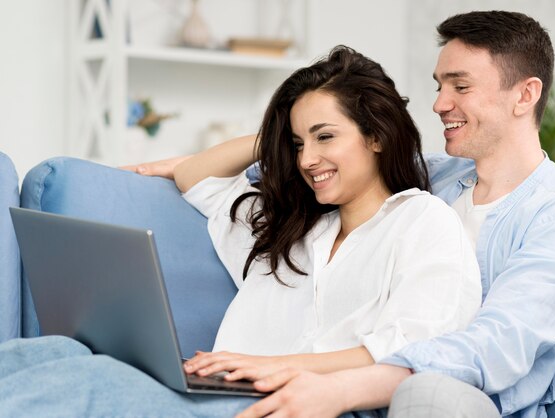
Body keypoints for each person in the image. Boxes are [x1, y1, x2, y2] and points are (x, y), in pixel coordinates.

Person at [0, 46, 481, 417]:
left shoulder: (422, 220)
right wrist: (271, 137)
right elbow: (199, 180)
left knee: (94, 382)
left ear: (376, 135)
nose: (307, 159)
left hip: (308, 404)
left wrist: (280, 366)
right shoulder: (292, 231)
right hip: (226, 392)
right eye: (297, 143)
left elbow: (419, 348)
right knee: (50, 352)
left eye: (325, 136)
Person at [206, 10, 555, 418]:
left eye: (461, 86)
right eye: (439, 86)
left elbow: (489, 350)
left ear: (525, 95)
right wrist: (295, 131)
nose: (439, 104)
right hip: (362, 389)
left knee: (427, 395)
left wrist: (335, 387)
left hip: (465, 401)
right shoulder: (438, 174)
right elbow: (303, 164)